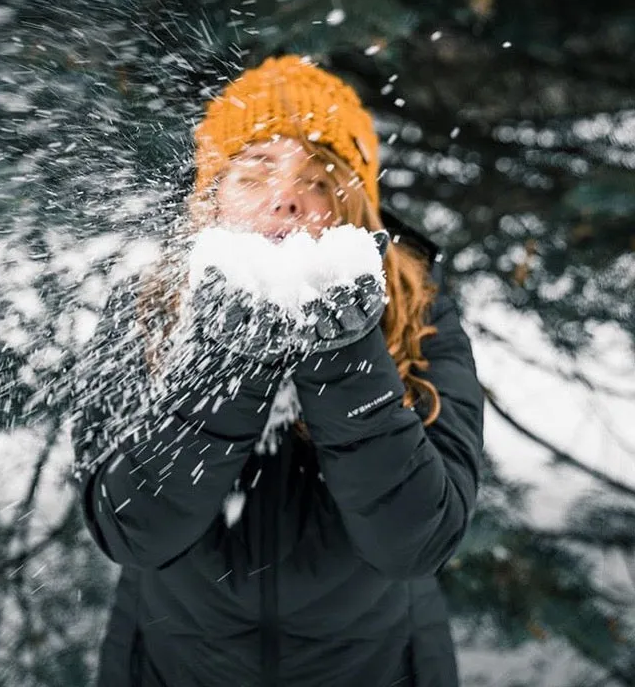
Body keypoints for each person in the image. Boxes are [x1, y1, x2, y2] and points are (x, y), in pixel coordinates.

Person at [68, 54, 484, 687]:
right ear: (209, 201)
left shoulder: (421, 312)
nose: (286, 199)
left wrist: (344, 350)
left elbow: (417, 543)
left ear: (356, 212)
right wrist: (230, 360)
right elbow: (132, 532)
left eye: (319, 179)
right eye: (255, 171)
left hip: (377, 665)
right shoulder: (143, 309)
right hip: (172, 664)